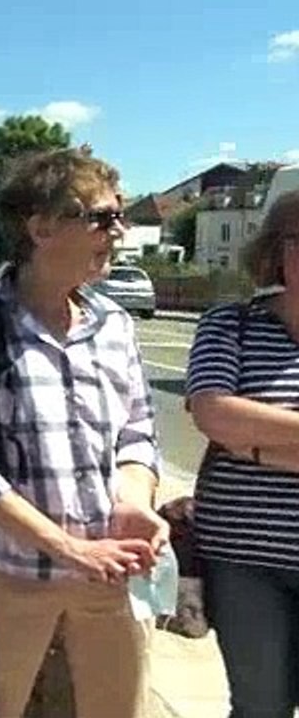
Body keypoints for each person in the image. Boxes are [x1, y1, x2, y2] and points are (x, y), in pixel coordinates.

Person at [0, 147, 167, 718]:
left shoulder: (114, 325)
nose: (119, 231)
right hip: (11, 574)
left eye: (120, 215)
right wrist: (66, 547)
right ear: (40, 228)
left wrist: (135, 504)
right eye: (102, 218)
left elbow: (137, 431)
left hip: (110, 571)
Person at [186, 189, 299, 718]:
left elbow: (235, 423)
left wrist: (254, 444)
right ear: (279, 252)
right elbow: (213, 413)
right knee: (260, 707)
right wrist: (237, 429)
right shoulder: (230, 324)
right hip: (244, 560)